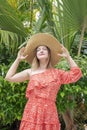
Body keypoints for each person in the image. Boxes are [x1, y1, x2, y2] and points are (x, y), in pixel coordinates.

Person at [5, 33, 82, 130]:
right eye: (38, 50)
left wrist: (68, 57)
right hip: (32, 111)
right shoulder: (30, 72)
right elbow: (9, 77)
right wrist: (18, 59)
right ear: (36, 55)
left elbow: (76, 75)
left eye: (44, 49)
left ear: (49, 53)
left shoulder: (57, 73)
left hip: (49, 112)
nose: (41, 51)